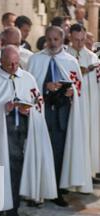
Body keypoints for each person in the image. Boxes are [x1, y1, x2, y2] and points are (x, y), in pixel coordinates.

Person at [0, 46, 57, 216]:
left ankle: (13, 211)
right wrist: (4, 109)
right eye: (9, 63)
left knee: (16, 172)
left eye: (16, 62)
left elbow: (38, 104)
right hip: (0, 135)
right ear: (1, 62)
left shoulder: (28, 79)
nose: (13, 67)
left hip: (22, 133)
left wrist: (28, 110)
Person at [28, 26, 92, 207]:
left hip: (62, 115)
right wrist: (44, 86)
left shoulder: (70, 61)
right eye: (49, 39)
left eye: (56, 39)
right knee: (39, 152)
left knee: (58, 154)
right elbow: (29, 86)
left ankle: (55, 191)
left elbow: (79, 88)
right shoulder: (36, 59)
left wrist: (72, 92)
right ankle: (37, 191)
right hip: (42, 113)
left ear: (62, 40)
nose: (52, 43)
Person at [67, 24, 100, 180]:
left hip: (89, 106)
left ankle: (88, 172)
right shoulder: (65, 55)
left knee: (89, 137)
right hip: (70, 106)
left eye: (82, 39)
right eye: (76, 40)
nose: (79, 44)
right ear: (70, 37)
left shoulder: (92, 57)